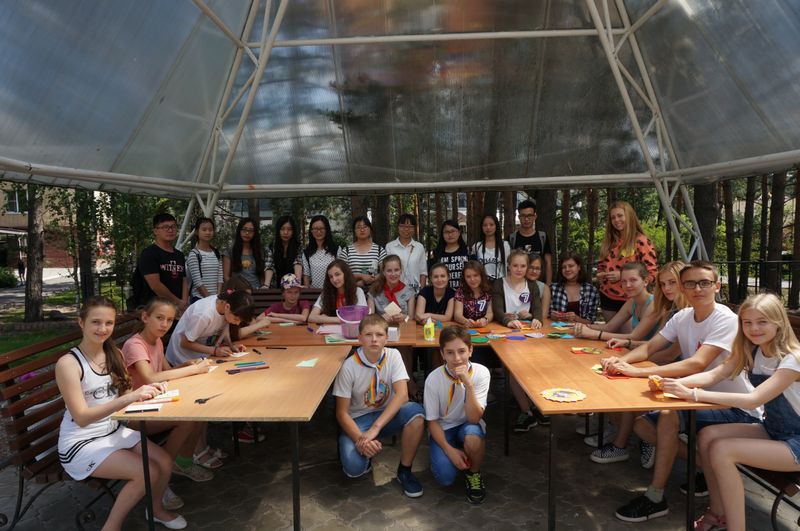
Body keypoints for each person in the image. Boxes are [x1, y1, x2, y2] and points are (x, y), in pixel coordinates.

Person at [603, 261, 763, 523]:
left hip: (736, 408)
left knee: (668, 416)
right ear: (683, 288)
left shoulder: (725, 319)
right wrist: (622, 361)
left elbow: (697, 363)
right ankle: (705, 466)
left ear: (716, 286)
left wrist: (637, 373)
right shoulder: (682, 316)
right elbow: (650, 347)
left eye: (704, 283)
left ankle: (655, 496)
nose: (697, 289)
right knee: (643, 425)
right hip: (700, 399)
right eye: (690, 284)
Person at [661, 293, 800, 531]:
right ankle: (718, 513)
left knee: (723, 450)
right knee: (707, 435)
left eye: (762, 322)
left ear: (778, 322)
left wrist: (693, 394)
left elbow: (754, 399)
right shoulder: (753, 350)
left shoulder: (792, 359)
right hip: (775, 430)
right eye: (747, 322)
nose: (754, 328)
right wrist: (671, 383)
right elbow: (715, 374)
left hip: (796, 441)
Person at [55, 297, 187, 530]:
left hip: (113, 430)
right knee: (147, 471)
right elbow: (82, 417)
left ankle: (155, 510)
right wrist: (129, 398)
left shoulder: (114, 353)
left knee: (165, 462)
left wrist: (152, 393)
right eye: (96, 322)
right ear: (81, 323)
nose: (103, 328)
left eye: (109, 323)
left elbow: (126, 395)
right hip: (82, 442)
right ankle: (111, 527)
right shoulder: (68, 364)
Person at [122, 298, 217, 485]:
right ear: (145, 317)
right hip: (133, 412)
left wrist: (186, 365)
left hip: (154, 401)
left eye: (170, 320)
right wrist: (194, 369)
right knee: (186, 420)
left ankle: (182, 462)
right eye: (160, 318)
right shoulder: (135, 345)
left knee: (201, 411)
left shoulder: (156, 340)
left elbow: (166, 372)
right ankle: (165, 471)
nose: (165, 324)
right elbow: (151, 378)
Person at [573, 262, 658, 465]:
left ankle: (637, 441)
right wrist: (581, 326)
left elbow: (634, 336)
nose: (627, 285)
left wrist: (594, 334)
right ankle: (615, 429)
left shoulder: (653, 304)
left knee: (622, 385)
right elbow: (611, 326)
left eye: (633, 280)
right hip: (638, 355)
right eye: (624, 281)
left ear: (646, 281)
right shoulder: (631, 302)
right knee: (603, 375)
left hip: (655, 359)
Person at [332, 314, 426, 497]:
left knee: (416, 414)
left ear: (387, 338)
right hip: (359, 421)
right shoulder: (348, 366)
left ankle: (405, 471)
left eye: (379, 334)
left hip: (387, 416)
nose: (374, 339)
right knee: (354, 469)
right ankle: (367, 453)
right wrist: (362, 439)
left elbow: (402, 395)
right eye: (368, 335)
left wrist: (375, 428)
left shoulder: (394, 355)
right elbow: (341, 413)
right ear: (359, 338)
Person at [424, 325, 490, 504]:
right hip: (443, 428)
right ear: (442, 354)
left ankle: (474, 473)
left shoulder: (481, 372)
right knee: (445, 478)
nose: (457, 358)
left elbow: (474, 418)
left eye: (461, 351)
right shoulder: (433, 379)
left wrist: (468, 385)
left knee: (473, 436)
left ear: (470, 350)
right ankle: (452, 451)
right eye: (450, 353)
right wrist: (449, 450)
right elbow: (432, 422)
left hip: (468, 424)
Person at [596, 201, 658, 324]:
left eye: (620, 216)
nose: (616, 220)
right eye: (613, 217)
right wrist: (601, 275)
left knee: (628, 335)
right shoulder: (609, 242)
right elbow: (601, 267)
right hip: (607, 297)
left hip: (631, 298)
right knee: (610, 334)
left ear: (629, 216)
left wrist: (622, 276)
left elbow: (652, 273)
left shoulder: (641, 241)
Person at [165, 289, 255, 366]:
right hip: (181, 359)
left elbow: (224, 327)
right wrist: (215, 351)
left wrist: (231, 346)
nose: (237, 323)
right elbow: (185, 343)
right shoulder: (203, 314)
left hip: (202, 358)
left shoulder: (225, 304)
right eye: (236, 319)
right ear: (227, 307)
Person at [136, 213, 188, 311]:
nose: (170, 230)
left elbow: (184, 279)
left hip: (178, 309)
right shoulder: (149, 254)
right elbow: (155, 285)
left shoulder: (179, 255)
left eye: (173, 227)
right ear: (155, 231)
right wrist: (177, 302)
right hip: (155, 308)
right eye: (165, 227)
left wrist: (184, 302)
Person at [491, 250, 543, 330]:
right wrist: (507, 321)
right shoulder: (499, 284)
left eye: (523, 266)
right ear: (509, 266)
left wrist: (536, 319)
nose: (519, 269)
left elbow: (537, 308)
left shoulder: (532, 286)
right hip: (504, 328)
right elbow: (497, 310)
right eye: (515, 265)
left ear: (527, 267)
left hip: (527, 328)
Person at [308, 260, 368, 324]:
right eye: (331, 276)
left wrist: (325, 318)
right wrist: (339, 320)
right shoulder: (326, 293)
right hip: (330, 329)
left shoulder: (357, 291)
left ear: (346, 274)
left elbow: (362, 317)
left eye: (337, 274)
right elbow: (311, 317)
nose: (334, 279)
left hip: (350, 329)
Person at [507, 199, 552, 284]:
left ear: (535, 216)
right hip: (518, 285)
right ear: (519, 217)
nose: (526, 219)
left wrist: (548, 284)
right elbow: (508, 263)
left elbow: (548, 263)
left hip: (539, 284)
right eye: (523, 216)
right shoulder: (512, 238)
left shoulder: (543, 237)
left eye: (529, 215)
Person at [549, 252, 599, 324]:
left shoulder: (591, 290)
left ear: (579, 267)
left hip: (582, 330)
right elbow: (545, 316)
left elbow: (591, 321)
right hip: (555, 330)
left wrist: (576, 318)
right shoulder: (553, 289)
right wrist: (552, 316)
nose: (567, 269)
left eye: (571, 266)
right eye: (563, 267)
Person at [338, 215, 386, 288]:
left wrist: (370, 280)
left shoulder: (379, 250)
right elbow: (341, 273)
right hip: (353, 292)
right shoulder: (346, 251)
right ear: (354, 231)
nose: (362, 230)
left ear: (370, 229)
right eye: (358, 227)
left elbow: (385, 271)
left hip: (375, 292)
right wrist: (360, 276)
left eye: (365, 227)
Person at [385, 213, 427, 293]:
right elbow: (386, 271)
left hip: (415, 291)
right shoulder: (390, 246)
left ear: (414, 228)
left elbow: (423, 272)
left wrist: (422, 293)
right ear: (398, 227)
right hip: (395, 292)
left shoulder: (419, 247)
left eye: (410, 227)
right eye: (403, 226)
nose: (406, 229)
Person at [186, 217, 223, 304]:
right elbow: (198, 283)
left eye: (210, 230)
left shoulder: (216, 253)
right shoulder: (194, 254)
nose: (207, 232)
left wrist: (217, 297)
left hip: (215, 299)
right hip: (199, 300)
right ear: (196, 232)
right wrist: (211, 300)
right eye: (204, 229)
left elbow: (220, 278)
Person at [223, 217, 266, 290]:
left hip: (257, 291)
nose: (247, 233)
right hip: (238, 292)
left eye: (251, 230)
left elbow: (261, 275)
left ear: (255, 233)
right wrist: (234, 288)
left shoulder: (259, 251)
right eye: (244, 229)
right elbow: (226, 277)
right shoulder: (230, 251)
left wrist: (263, 288)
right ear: (239, 231)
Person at [264, 215, 303, 288]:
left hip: (293, 288)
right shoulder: (271, 247)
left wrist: (298, 284)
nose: (285, 232)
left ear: (293, 231)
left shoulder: (298, 246)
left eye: (289, 229)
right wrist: (266, 285)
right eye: (282, 229)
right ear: (278, 230)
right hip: (275, 287)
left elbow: (298, 263)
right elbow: (269, 267)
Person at [431, 220, 469, 291]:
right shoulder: (437, 253)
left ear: (459, 232)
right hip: (444, 293)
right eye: (446, 232)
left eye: (453, 231)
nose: (450, 235)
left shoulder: (467, 251)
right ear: (442, 234)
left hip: (465, 293)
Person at [302, 215, 339, 288]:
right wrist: (307, 292)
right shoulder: (307, 253)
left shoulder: (336, 250)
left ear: (327, 230)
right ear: (311, 231)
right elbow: (306, 275)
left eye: (322, 228)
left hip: (333, 291)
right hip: (314, 292)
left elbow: (342, 272)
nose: (318, 231)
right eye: (315, 229)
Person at [454, 260, 493, 328]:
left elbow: (490, 312)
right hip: (466, 328)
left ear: (481, 276)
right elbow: (457, 315)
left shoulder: (488, 291)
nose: (472, 279)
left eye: (475, 275)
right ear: (464, 278)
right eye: (468, 276)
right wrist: (465, 321)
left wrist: (485, 319)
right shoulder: (460, 292)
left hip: (485, 327)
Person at [471, 214, 511, 281]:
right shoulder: (476, 246)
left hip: (500, 283)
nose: (488, 227)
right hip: (482, 284)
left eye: (491, 225)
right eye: (485, 225)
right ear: (481, 227)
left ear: (496, 226)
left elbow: (509, 267)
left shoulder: (505, 245)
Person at [525, 254, 550, 320]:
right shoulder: (516, 283)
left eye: (538, 268)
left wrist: (531, 316)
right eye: (531, 267)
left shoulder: (544, 288)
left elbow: (543, 316)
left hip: (535, 323)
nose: (534, 271)